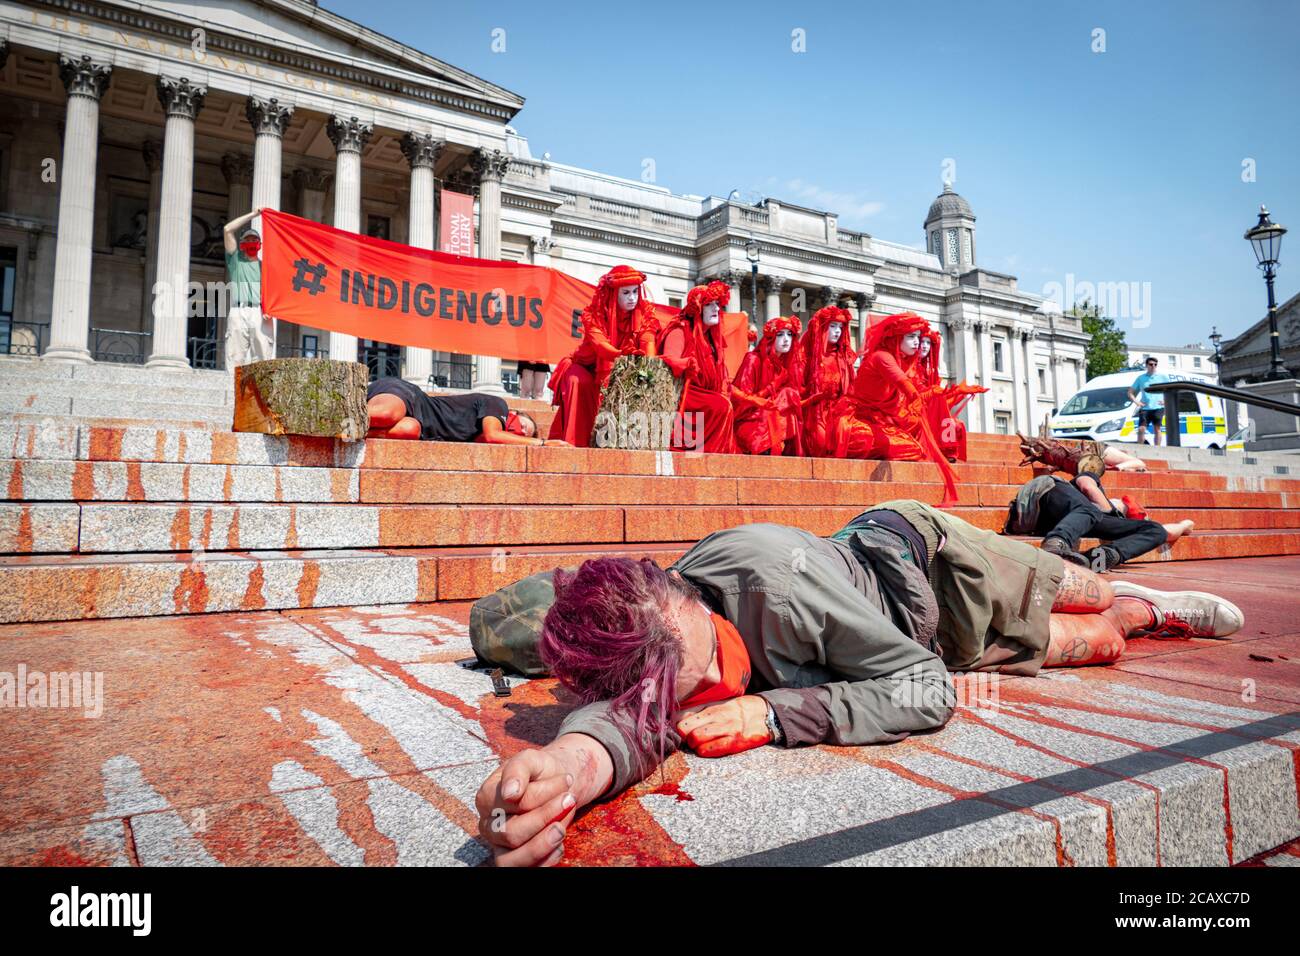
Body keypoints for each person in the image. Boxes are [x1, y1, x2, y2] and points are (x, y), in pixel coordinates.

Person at [473, 498, 1244, 866]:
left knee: (1091, 597)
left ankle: (1141, 589)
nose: (692, 693)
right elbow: (622, 725)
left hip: (934, 563)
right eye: (663, 686)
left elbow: (927, 691)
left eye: (686, 661)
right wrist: (564, 774)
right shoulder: (654, 658)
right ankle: (1152, 615)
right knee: (1107, 643)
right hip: (922, 645)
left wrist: (775, 716)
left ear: (679, 597)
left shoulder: (773, 577)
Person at [831, 312, 959, 506]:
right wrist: (916, 397)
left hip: (882, 421)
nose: (917, 342)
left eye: (918, 337)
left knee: (914, 448)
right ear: (896, 337)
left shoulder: (901, 362)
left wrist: (946, 393)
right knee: (864, 439)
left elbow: (910, 397)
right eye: (911, 337)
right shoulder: (882, 357)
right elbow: (903, 384)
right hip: (856, 420)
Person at [547, 265, 661, 446]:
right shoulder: (595, 314)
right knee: (578, 381)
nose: (632, 298)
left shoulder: (645, 312)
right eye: (626, 293)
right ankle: (574, 443)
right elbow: (601, 346)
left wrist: (649, 367)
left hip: (618, 369)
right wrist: (623, 354)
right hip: (587, 368)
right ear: (614, 293)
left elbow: (648, 338)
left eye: (634, 292)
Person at [1020, 453, 1194, 571]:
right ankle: (1054, 544)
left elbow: (1165, 532)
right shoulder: (1085, 480)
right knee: (1090, 510)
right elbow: (1087, 487)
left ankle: (1096, 559)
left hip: (1060, 519)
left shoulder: (1093, 514)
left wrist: (1185, 525)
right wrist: (1110, 511)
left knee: (1155, 529)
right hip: (1047, 494)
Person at [657, 280, 737, 454]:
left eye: (718, 304)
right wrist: (686, 364)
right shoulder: (680, 330)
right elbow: (667, 361)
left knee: (724, 404)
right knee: (721, 406)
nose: (717, 309)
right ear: (698, 308)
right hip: (684, 394)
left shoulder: (713, 340)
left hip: (704, 396)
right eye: (710, 305)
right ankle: (709, 456)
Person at [365, 377, 563, 446]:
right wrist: (543, 444)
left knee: (409, 430)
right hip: (410, 396)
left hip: (419, 425)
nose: (520, 432)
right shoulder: (497, 404)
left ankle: (347, 430)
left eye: (523, 436)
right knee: (385, 415)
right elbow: (493, 435)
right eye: (523, 426)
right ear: (513, 414)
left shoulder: (476, 437)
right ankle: (338, 417)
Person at [731, 316, 804, 456]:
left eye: (790, 335)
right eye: (780, 334)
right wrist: (772, 385)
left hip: (770, 421)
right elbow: (741, 404)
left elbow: (790, 404)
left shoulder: (784, 367)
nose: (786, 339)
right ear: (771, 338)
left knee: (789, 394)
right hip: (748, 421)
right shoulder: (753, 360)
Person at [912, 329, 987, 462]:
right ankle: (945, 449)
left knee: (957, 424)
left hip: (927, 411)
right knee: (948, 419)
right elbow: (924, 397)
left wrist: (960, 391)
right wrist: (954, 391)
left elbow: (940, 402)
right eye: (922, 341)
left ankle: (946, 450)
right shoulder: (908, 367)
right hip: (910, 410)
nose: (924, 346)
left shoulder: (927, 372)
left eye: (928, 343)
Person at [799, 305, 857, 457]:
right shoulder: (808, 357)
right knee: (822, 444)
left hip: (840, 413)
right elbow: (797, 389)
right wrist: (813, 398)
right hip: (814, 413)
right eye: (833, 326)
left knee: (861, 438)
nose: (838, 331)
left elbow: (852, 390)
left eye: (840, 327)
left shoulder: (844, 358)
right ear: (822, 328)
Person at [222, 207, 273, 368]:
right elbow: (227, 229)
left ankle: (259, 394)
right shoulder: (235, 262)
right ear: (242, 243)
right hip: (239, 311)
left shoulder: (266, 268)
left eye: (254, 239)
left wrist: (271, 309)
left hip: (260, 312)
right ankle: (234, 393)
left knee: (262, 359)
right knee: (235, 359)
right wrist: (254, 215)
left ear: (259, 244)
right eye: (248, 239)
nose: (251, 242)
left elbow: (274, 292)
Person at [1128, 356, 1171, 446]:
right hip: (1145, 408)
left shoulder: (1163, 377)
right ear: (1146, 365)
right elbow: (1130, 392)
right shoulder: (1141, 378)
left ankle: (1157, 448)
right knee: (1141, 429)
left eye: (1155, 364)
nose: (1153, 366)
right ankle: (1140, 447)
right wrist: (1137, 402)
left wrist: (1165, 400)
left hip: (1158, 407)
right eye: (1151, 364)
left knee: (1157, 429)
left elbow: (1171, 390)